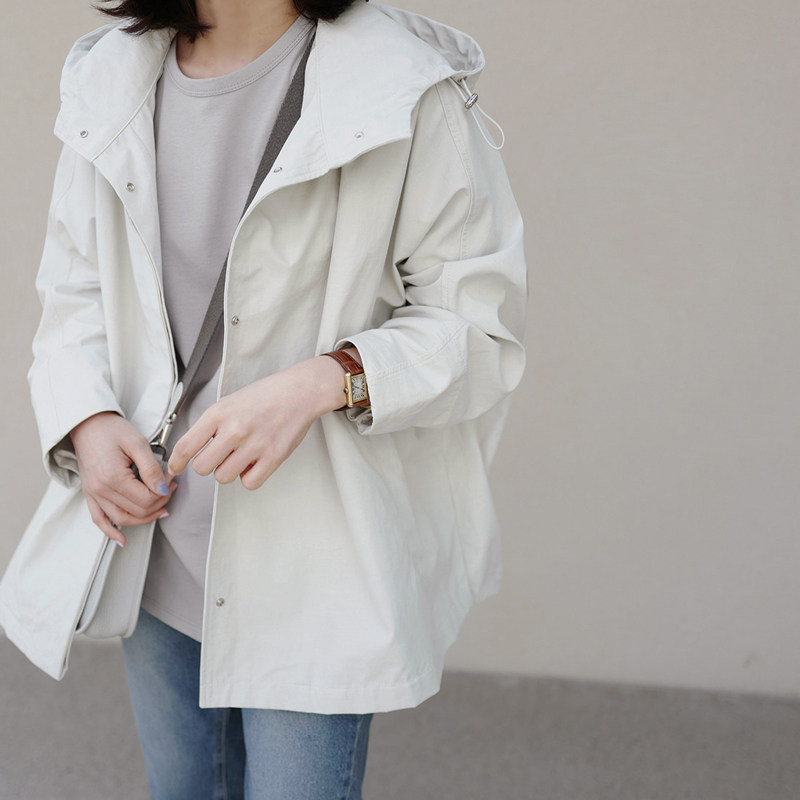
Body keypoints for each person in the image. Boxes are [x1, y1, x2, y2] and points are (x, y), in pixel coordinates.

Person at [0, 0, 526, 796]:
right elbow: (76, 290)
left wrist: (328, 379)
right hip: (159, 534)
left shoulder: (404, 86)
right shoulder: (112, 76)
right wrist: (89, 419)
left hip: (314, 556)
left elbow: (480, 329)